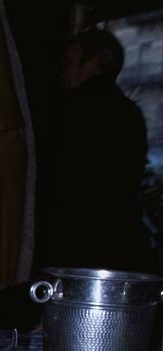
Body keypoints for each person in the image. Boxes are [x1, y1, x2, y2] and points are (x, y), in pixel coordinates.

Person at [42, 28, 152, 273]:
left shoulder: (69, 110)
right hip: (120, 246)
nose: (62, 70)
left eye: (69, 61)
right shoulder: (130, 114)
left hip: (73, 248)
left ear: (92, 63)